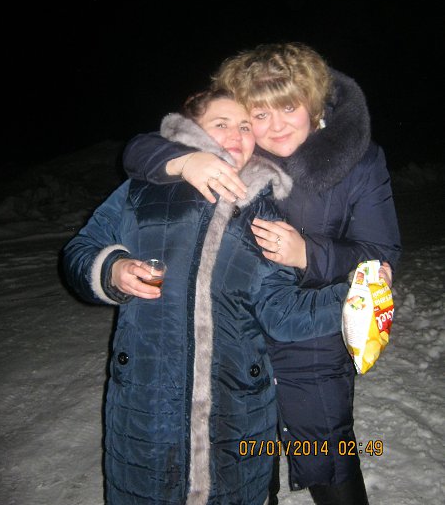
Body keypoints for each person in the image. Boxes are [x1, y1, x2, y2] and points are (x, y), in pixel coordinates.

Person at [122, 43, 401, 505]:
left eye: (288, 108)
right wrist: (186, 161)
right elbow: (141, 149)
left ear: (313, 104)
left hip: (311, 345)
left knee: (329, 462)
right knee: (248, 475)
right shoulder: (234, 152)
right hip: (234, 346)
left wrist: (308, 254)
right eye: (259, 114)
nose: (274, 127)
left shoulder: (359, 162)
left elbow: (381, 256)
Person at [62, 89, 361, 505]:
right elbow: (79, 251)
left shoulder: (265, 213)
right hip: (146, 404)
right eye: (222, 124)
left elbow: (279, 313)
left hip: (237, 412)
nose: (237, 135)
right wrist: (111, 269)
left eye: (245, 126)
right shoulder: (142, 191)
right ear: (192, 129)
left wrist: (352, 299)